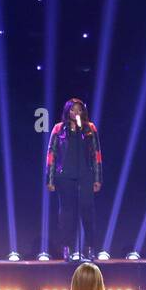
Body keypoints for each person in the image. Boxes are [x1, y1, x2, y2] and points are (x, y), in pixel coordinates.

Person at [46, 98, 103, 260]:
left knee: (87, 210)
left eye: (79, 110)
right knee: (67, 213)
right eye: (73, 110)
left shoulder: (89, 129)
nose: (76, 113)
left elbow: (96, 154)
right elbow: (51, 155)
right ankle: (67, 248)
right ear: (67, 112)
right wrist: (49, 179)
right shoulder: (59, 129)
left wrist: (98, 178)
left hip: (85, 175)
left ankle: (90, 247)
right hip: (64, 176)